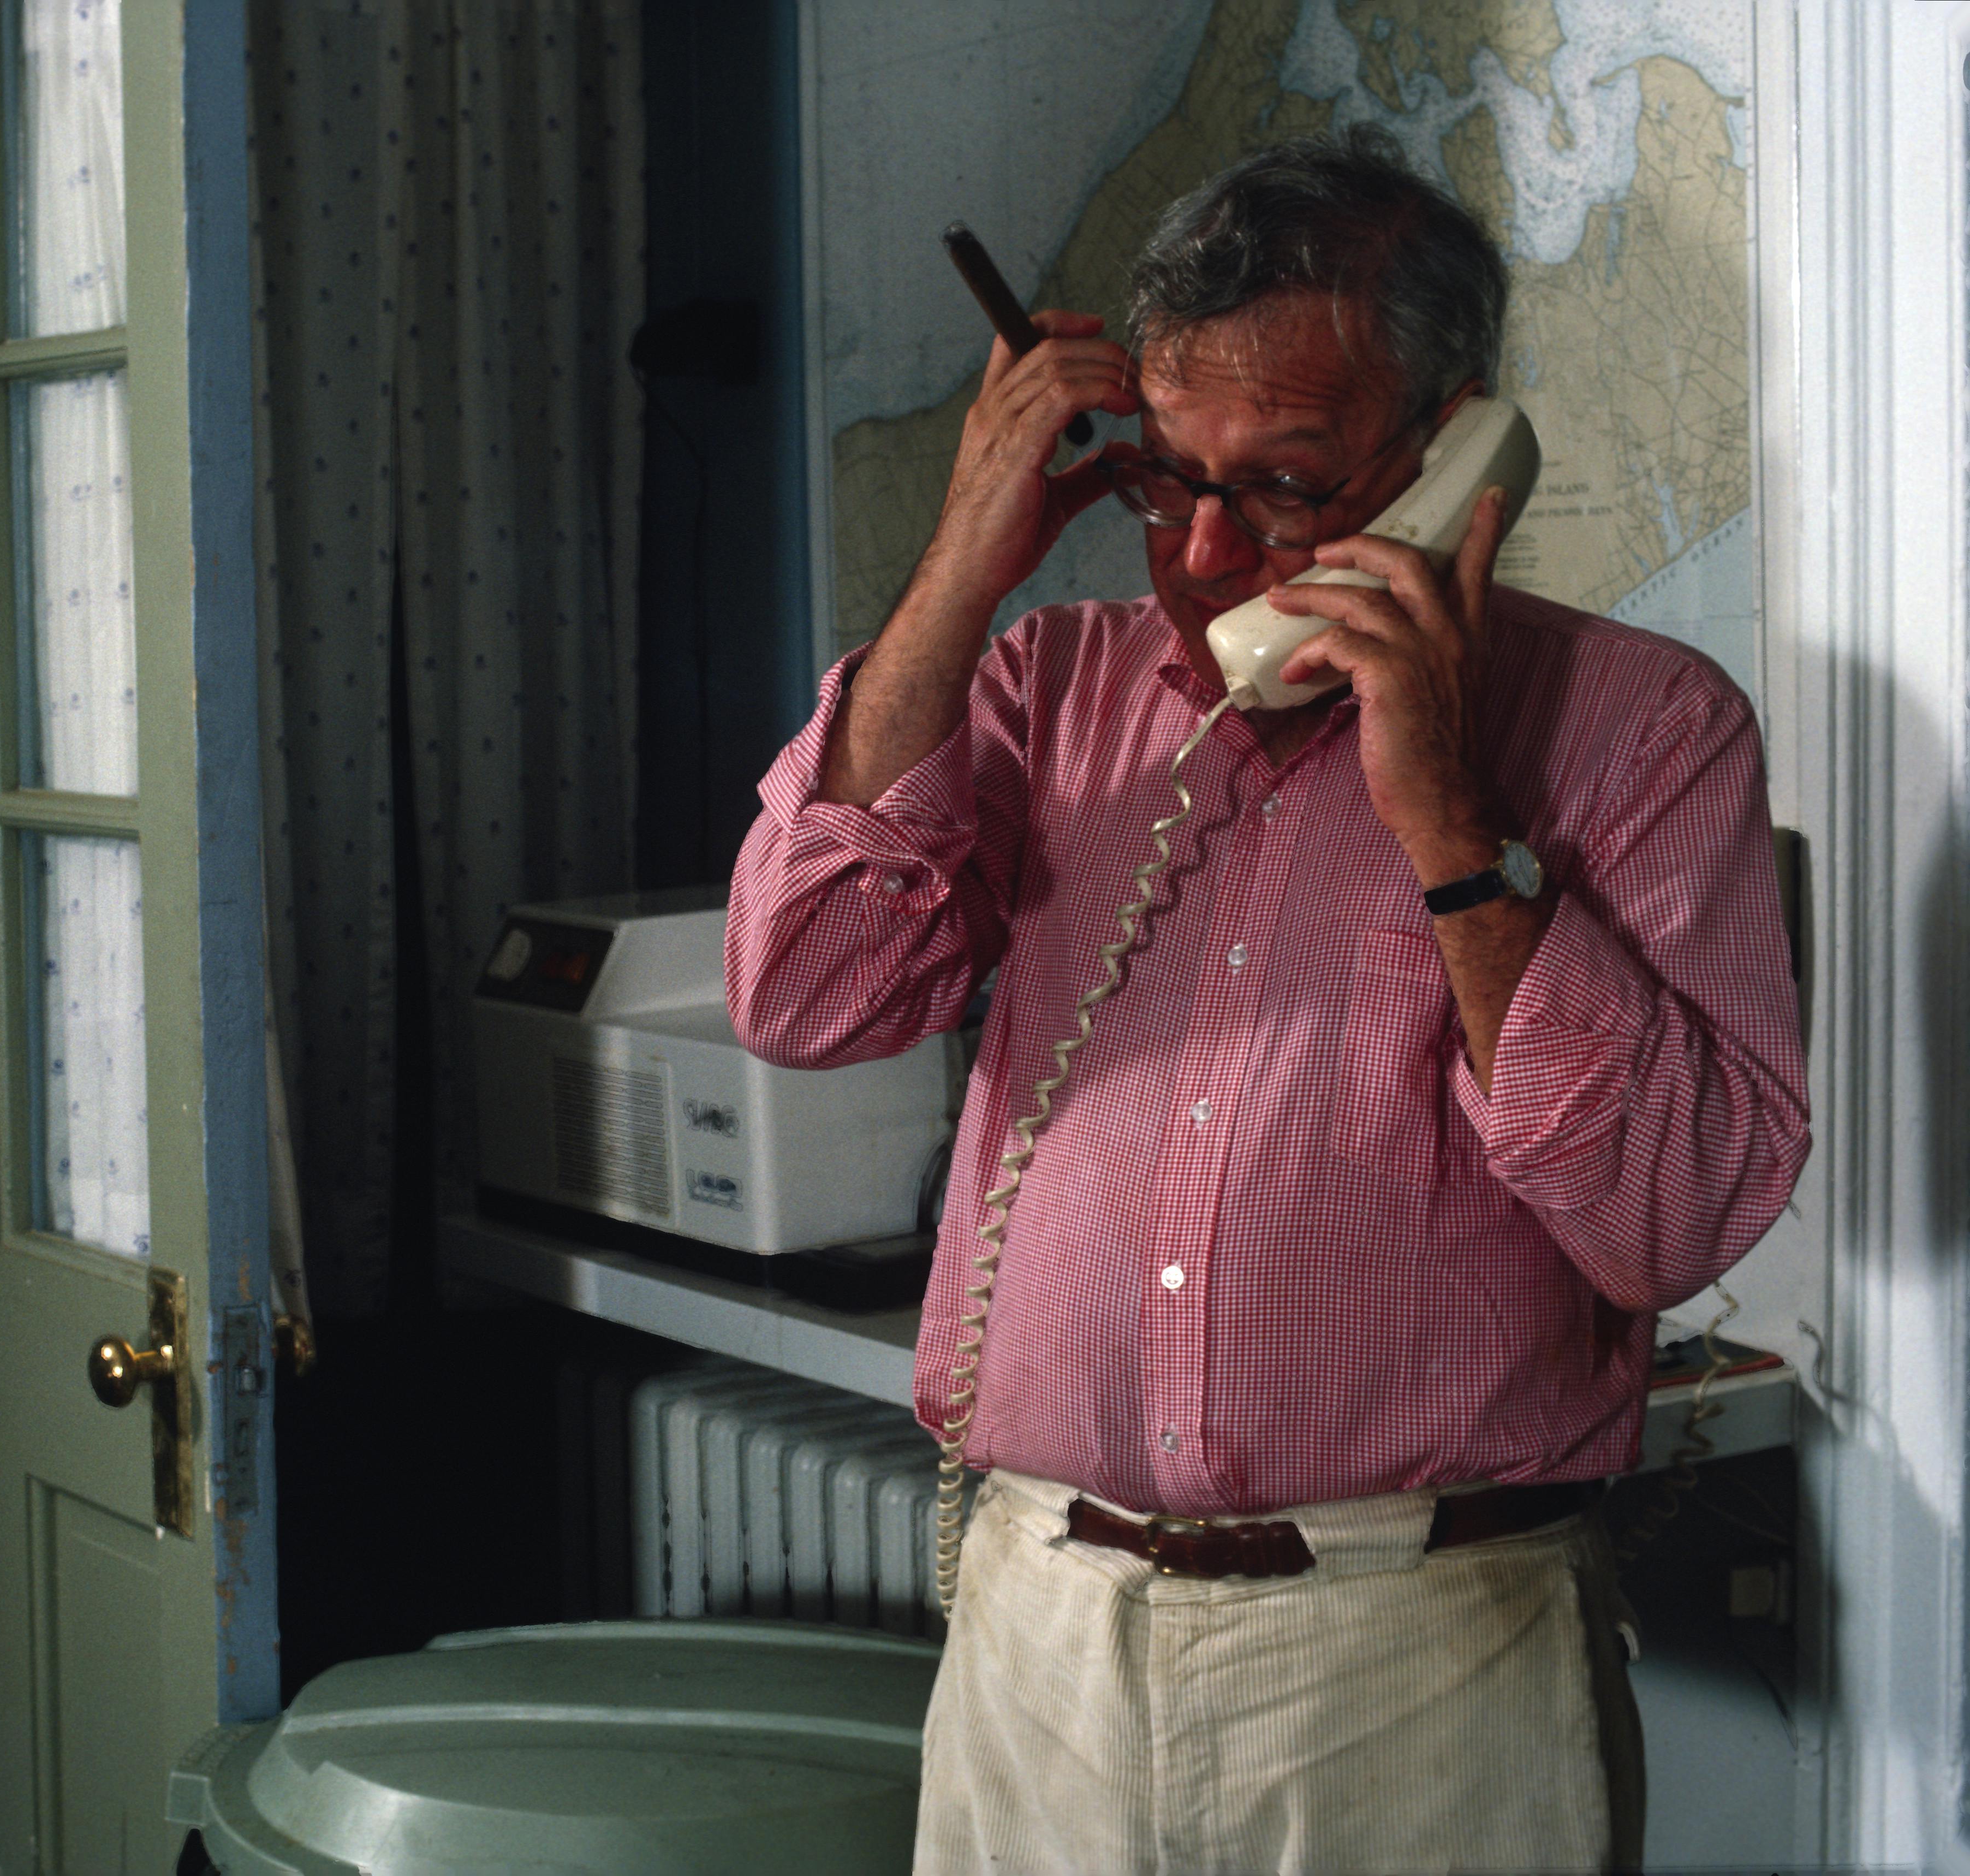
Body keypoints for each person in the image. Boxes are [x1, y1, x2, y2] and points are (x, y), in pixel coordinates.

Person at [725, 128, 1808, 1874]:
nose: (1212, 550)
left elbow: (1664, 1221)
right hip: (1041, 1642)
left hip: (1420, 1662)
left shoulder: (1644, 732)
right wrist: (958, 575)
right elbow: (802, 989)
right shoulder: (1040, 690)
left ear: (1459, 449)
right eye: (1168, 477)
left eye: (1289, 485)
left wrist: (1451, 818)